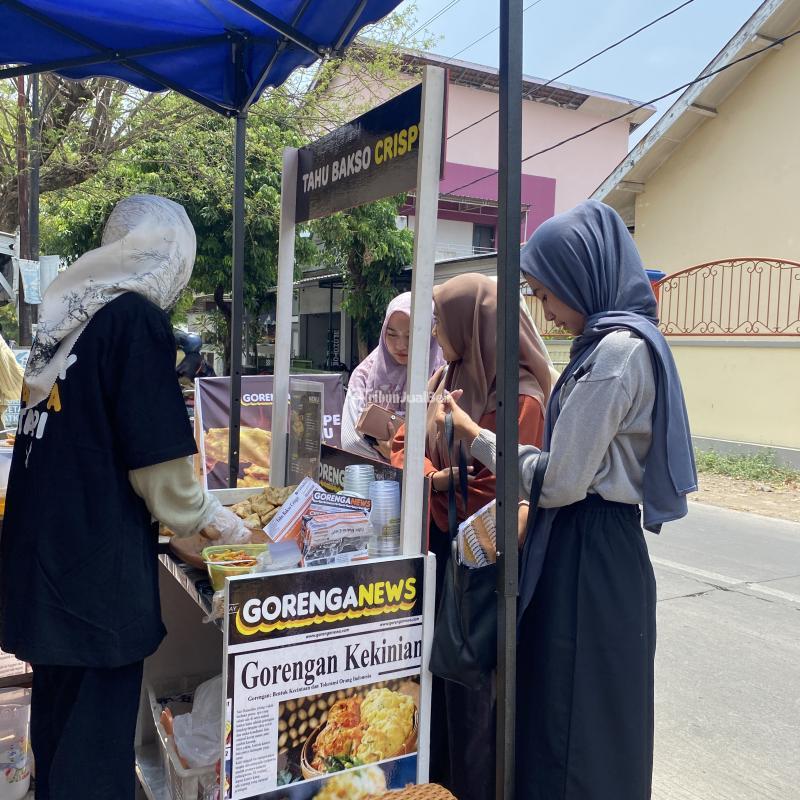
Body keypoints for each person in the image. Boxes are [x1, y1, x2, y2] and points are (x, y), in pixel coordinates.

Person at [438, 201, 697, 800]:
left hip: (591, 553)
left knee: (580, 721)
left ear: (584, 276)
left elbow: (559, 481)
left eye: (546, 293)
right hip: (583, 545)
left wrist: (476, 440)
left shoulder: (616, 355)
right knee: (564, 710)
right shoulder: (602, 345)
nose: (545, 311)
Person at [0, 195, 254, 800]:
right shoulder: (133, 319)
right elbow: (161, 467)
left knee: (62, 741)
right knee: (93, 763)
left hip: (47, 574)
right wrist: (223, 525)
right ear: (168, 256)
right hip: (94, 588)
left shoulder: (71, 321)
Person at [391, 272, 552, 800]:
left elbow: (502, 489)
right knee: (441, 688)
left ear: (472, 321)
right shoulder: (444, 378)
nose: (435, 332)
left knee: (477, 700)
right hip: (440, 552)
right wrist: (431, 479)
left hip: (483, 567)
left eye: (440, 321)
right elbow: (399, 443)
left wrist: (436, 482)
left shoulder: (521, 399)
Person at [341, 292, 444, 461]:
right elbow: (351, 442)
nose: (400, 345)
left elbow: (448, 453)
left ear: (430, 333)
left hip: (427, 485)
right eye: (392, 334)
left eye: (411, 336)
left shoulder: (444, 373)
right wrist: (402, 457)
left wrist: (396, 455)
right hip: (374, 482)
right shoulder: (365, 375)